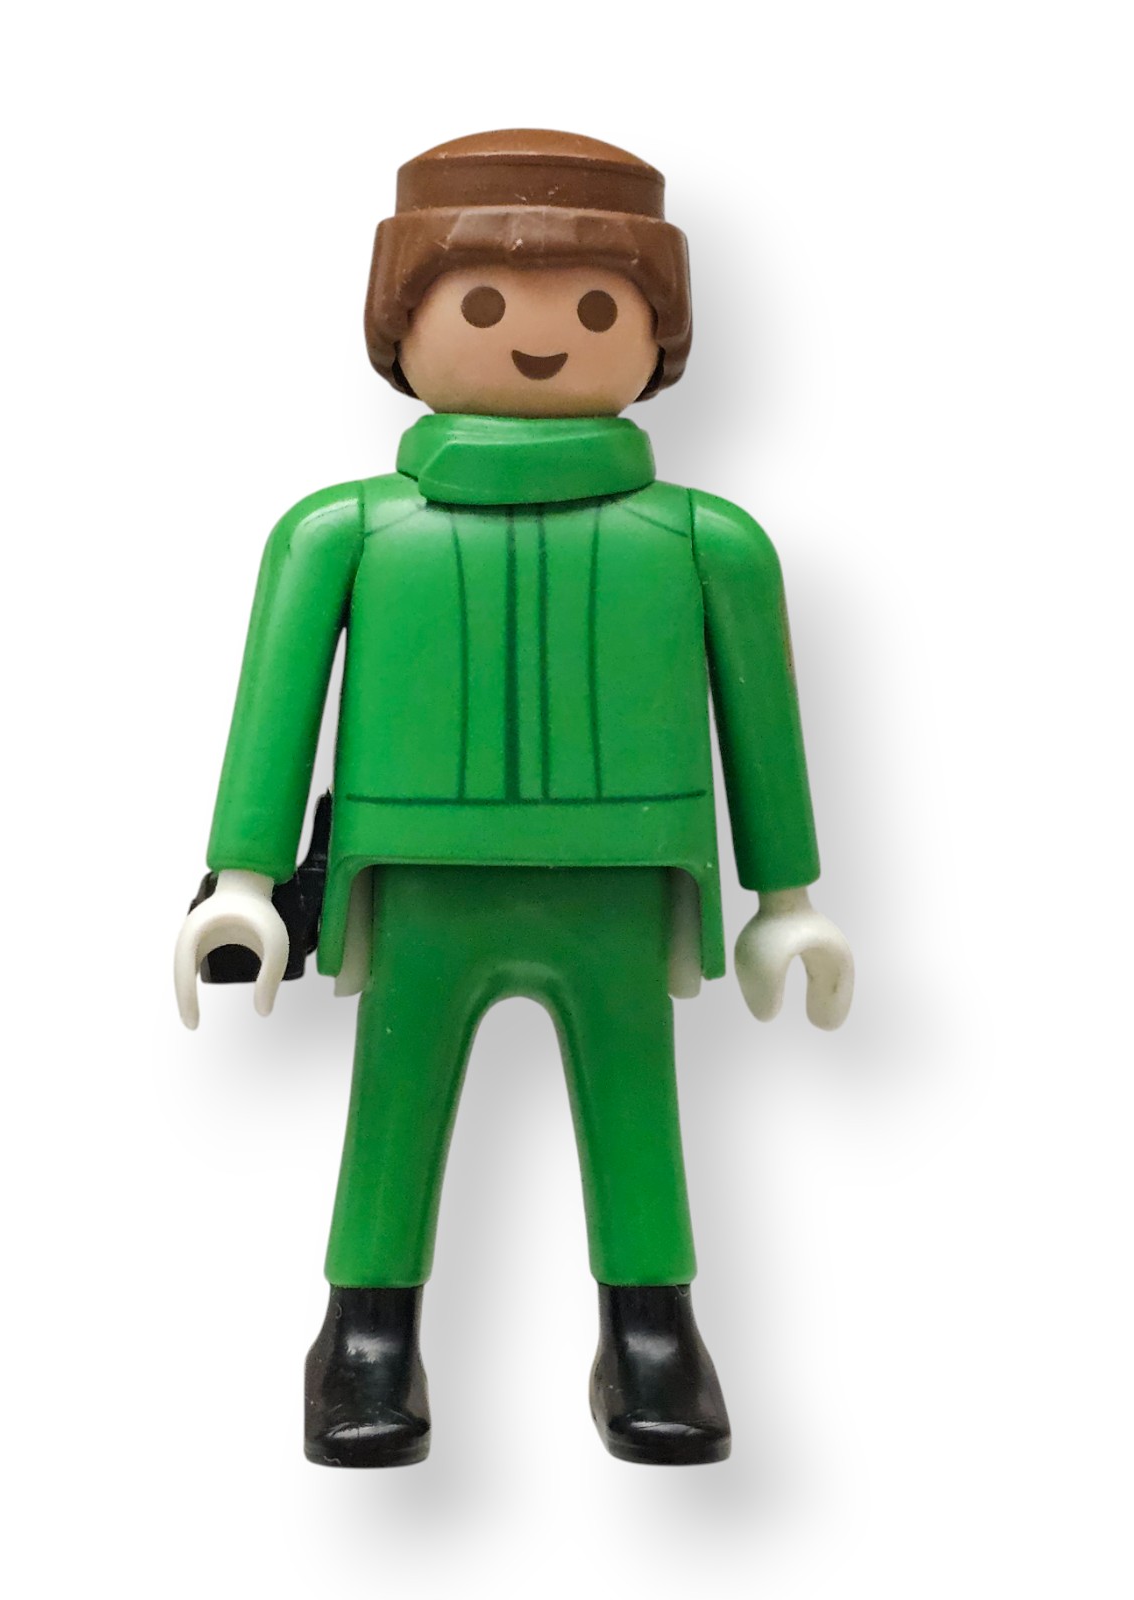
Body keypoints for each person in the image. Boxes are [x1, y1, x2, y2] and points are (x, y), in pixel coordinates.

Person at [174, 129, 854, 1468]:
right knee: (395, 1100)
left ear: (658, 338)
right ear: (402, 325)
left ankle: (653, 1333)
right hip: (416, 874)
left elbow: (763, 726)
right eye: (482, 304)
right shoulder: (344, 532)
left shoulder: (708, 543)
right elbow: (277, 708)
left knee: (636, 1104)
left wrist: (788, 898)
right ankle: (365, 1336)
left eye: (596, 311)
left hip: (622, 877)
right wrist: (242, 876)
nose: (540, 339)